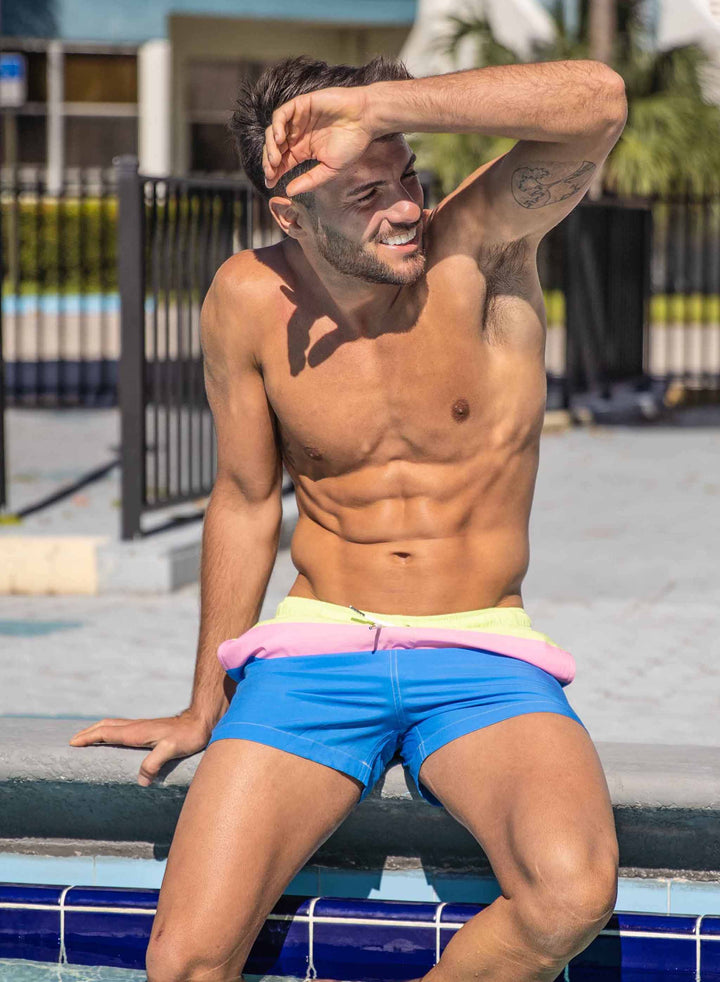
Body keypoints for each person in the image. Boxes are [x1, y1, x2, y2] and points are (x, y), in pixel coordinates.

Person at [70, 54, 627, 982]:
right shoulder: (246, 298)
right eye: (367, 192)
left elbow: (598, 102)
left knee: (569, 896)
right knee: (185, 961)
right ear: (292, 215)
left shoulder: (478, 248)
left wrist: (373, 108)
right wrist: (206, 702)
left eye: (406, 173)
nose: (405, 207)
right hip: (316, 650)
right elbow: (246, 499)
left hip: (479, 651)